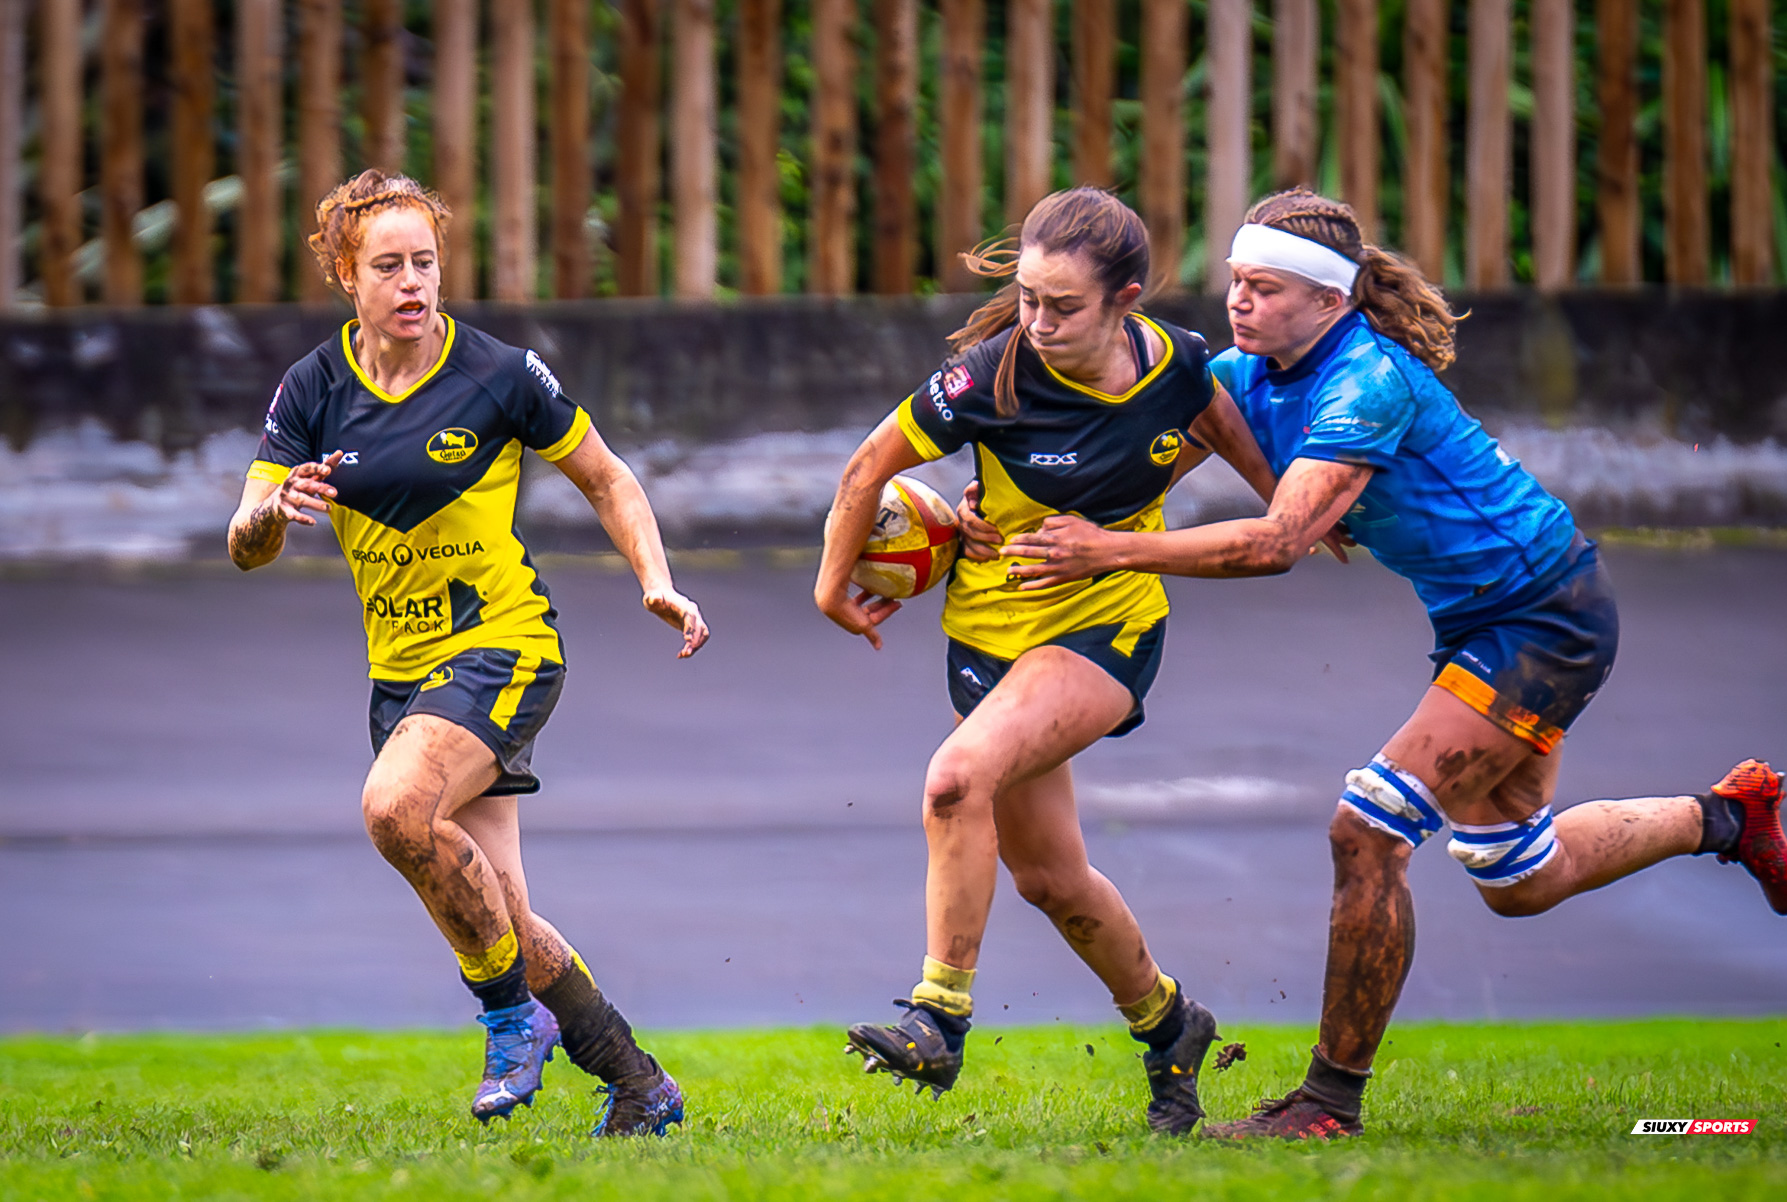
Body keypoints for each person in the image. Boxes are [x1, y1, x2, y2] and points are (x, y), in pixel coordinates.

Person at [975, 187, 1787, 1139]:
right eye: (1237, 283)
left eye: (1268, 289)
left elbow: (1279, 541)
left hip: (1543, 618)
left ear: (1332, 301)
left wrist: (1106, 551)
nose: (1240, 304)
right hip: (1483, 624)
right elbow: (1128, 466)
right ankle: (1730, 819)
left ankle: (1329, 1102)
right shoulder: (1247, 376)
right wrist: (990, 514)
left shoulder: (1366, 380)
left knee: (1366, 828)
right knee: (1516, 874)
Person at [228, 170, 708, 1137]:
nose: (414, 283)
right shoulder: (315, 388)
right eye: (389, 267)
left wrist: (655, 577)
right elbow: (245, 538)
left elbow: (608, 478)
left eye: (427, 263)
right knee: (503, 920)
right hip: (402, 679)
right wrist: (273, 512)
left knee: (393, 808)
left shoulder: (499, 373)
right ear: (345, 276)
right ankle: (639, 1083)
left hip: (503, 646)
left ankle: (505, 1023)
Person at [814, 187, 1280, 1134]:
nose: (1035, 322)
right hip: (985, 632)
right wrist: (831, 587)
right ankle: (1171, 1025)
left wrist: (1298, 513)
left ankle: (937, 1016)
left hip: (1105, 626)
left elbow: (1228, 437)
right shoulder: (994, 376)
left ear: (1127, 301)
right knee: (1052, 881)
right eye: (1026, 298)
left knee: (955, 781)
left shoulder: (1181, 367)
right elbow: (867, 467)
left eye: (1061, 307)